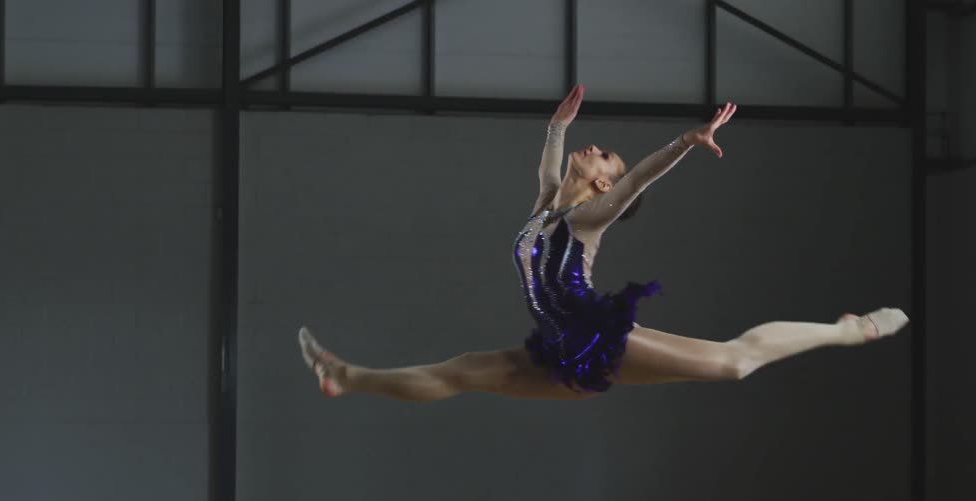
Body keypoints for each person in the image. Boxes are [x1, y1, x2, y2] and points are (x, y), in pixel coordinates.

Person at [298, 85, 908, 401]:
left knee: (735, 362)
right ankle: (346, 377)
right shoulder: (543, 212)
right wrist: (556, 127)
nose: (594, 149)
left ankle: (846, 331)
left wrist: (685, 141)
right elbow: (548, 171)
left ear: (602, 185)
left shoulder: (589, 218)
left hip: (596, 334)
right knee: (458, 373)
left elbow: (638, 177)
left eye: (603, 156)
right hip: (557, 347)